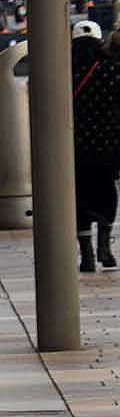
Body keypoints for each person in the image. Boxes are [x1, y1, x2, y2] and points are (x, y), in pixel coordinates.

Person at [77, 21, 120, 272]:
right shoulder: (111, 69)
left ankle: (87, 255)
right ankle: (104, 245)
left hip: (74, 147)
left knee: (79, 195)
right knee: (106, 191)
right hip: (107, 144)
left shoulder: (63, 69)